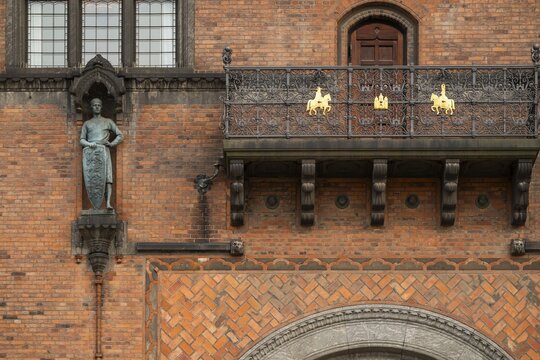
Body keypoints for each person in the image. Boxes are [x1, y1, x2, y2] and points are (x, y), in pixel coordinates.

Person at [80, 98, 124, 209]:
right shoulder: (87, 124)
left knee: (107, 177)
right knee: (93, 178)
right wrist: (89, 144)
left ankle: (108, 202)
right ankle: (94, 205)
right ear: (91, 107)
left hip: (104, 151)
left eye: (99, 105)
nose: (97, 107)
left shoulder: (108, 121)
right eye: (94, 105)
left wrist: (112, 144)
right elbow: (82, 140)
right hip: (92, 153)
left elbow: (120, 135)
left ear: (101, 107)